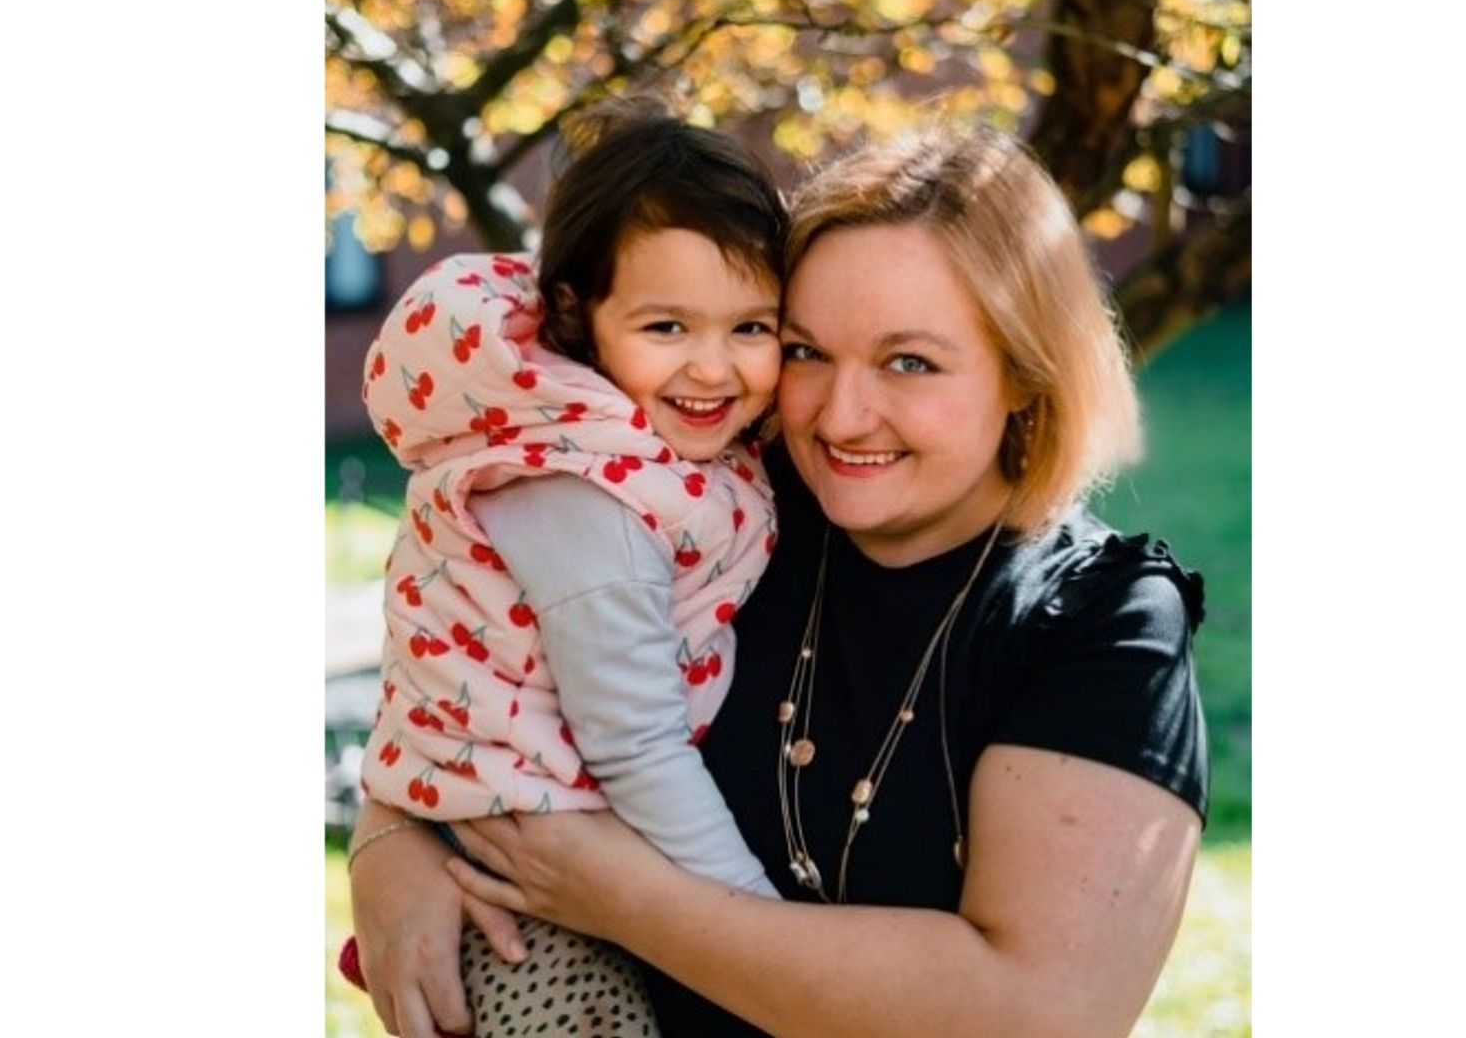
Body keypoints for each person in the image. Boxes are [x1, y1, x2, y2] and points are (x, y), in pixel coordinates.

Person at [350, 123, 1209, 1037]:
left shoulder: (1101, 622)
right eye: (804, 350)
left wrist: (622, 897)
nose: (842, 416)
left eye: (908, 362)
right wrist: (391, 844)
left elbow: (1040, 1014)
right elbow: (469, 674)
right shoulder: (718, 507)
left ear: (1025, 374)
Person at [344, 101, 793, 1038]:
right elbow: (634, 743)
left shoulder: (608, 437)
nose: (715, 369)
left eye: (752, 328)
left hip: (519, 829)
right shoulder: (589, 499)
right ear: (577, 317)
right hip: (525, 899)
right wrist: (756, 927)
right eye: (667, 327)